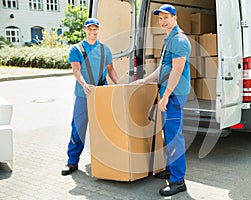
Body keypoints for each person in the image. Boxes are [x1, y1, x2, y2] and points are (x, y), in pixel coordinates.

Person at [133, 4, 191, 196]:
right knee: (168, 133)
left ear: (175, 18)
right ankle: (170, 169)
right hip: (168, 91)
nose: (163, 21)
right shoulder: (170, 39)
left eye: (166, 17)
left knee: (174, 136)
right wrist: (146, 79)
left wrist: (166, 96)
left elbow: (176, 70)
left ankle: (178, 181)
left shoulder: (180, 40)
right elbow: (164, 68)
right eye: (160, 18)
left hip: (174, 94)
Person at [61, 18, 119, 176]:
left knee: (104, 127)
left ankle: (106, 160)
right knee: (78, 127)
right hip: (83, 94)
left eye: (95, 29)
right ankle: (72, 162)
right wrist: (85, 84)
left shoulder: (104, 49)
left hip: (102, 93)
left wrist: (120, 85)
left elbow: (111, 69)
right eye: (89, 29)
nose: (92, 32)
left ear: (98, 30)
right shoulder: (76, 49)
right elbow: (76, 70)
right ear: (85, 30)